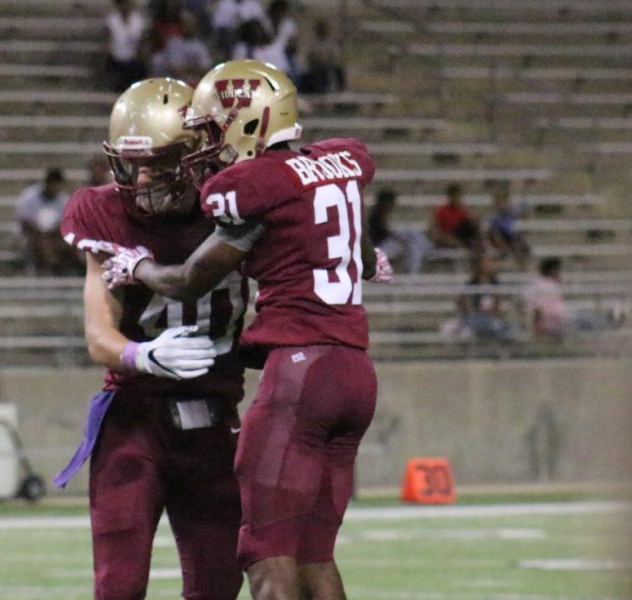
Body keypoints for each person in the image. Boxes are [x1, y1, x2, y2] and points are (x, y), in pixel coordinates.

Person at [102, 60, 392, 600]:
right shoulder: (338, 161)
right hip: (356, 373)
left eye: (213, 130)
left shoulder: (257, 184)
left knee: (265, 554)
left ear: (249, 123)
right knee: (314, 555)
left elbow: (189, 279)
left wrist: (136, 267)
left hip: (301, 377)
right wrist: (366, 260)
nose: (209, 145)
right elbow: (365, 254)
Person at [53, 78, 248, 600]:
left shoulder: (239, 201)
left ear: (197, 155)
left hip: (216, 419)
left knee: (217, 587)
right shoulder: (103, 210)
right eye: (132, 163)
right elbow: (99, 335)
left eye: (160, 163)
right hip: (135, 421)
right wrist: (143, 354)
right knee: (118, 585)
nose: (142, 178)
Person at [523, 257, 623, 339]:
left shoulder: (538, 284)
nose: (560, 274)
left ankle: (608, 320)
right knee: (582, 317)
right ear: (553, 271)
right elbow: (538, 309)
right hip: (556, 321)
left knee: (581, 314)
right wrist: (538, 329)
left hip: (559, 318)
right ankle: (609, 321)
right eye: (558, 271)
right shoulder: (546, 287)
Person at [14, 168, 76, 275]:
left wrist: (53, 233)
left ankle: (63, 270)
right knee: (42, 243)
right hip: (31, 234)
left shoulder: (63, 200)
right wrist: (40, 233)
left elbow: (65, 222)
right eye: (52, 183)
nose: (54, 187)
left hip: (54, 236)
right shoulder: (29, 196)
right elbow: (24, 219)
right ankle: (48, 269)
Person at [456, 254, 519, 342]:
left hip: (492, 318)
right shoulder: (471, 284)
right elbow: (460, 302)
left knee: (513, 328)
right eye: (488, 262)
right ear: (479, 265)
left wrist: (495, 309)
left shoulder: (496, 284)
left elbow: (500, 303)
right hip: (475, 318)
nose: (491, 265)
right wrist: (472, 310)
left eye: (491, 262)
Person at [368, 188, 432, 274]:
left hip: (382, 244)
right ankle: (413, 272)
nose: (393, 206)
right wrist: (401, 240)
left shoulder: (378, 214)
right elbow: (385, 234)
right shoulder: (377, 215)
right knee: (412, 247)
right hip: (380, 247)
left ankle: (411, 269)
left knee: (411, 237)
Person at [427, 182, 483, 255]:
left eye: (459, 196)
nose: (458, 199)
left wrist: (474, 221)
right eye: (455, 196)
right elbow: (433, 230)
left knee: (474, 227)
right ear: (450, 197)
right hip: (447, 238)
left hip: (461, 238)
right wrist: (444, 237)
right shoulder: (441, 211)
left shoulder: (463, 211)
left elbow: (469, 227)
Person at [105, 0, 147, 92]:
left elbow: (141, 39)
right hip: (116, 54)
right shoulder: (112, 19)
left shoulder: (137, 19)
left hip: (133, 55)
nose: (125, 7)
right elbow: (109, 39)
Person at [487, 187, 530, 268]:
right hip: (499, 237)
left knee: (517, 240)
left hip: (511, 236)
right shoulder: (493, 215)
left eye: (504, 201)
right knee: (494, 231)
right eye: (499, 202)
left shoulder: (512, 211)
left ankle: (521, 263)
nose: (501, 204)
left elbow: (525, 209)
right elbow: (493, 229)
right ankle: (503, 249)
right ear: (495, 203)